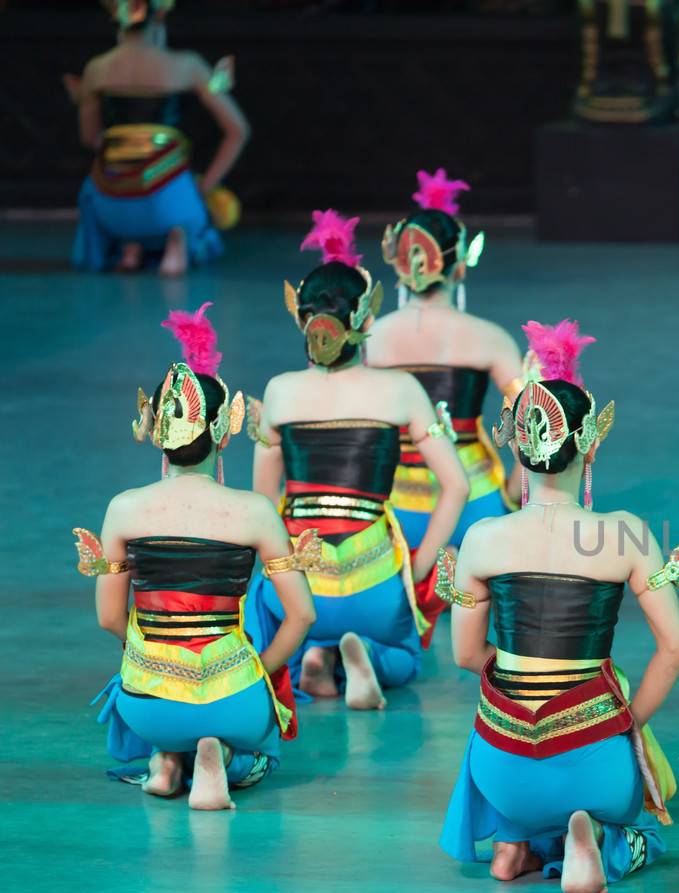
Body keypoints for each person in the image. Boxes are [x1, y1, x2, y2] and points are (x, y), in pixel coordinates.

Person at [439, 327, 679, 893]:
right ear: (591, 444)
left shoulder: (482, 537)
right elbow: (676, 650)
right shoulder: (626, 534)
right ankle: (598, 838)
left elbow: (464, 655)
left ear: (515, 446)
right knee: (641, 816)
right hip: (594, 756)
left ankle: (513, 842)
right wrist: (627, 727)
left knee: (498, 695)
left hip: (501, 768)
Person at [77, 303, 316, 810]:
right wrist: (258, 668)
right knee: (261, 746)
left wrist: (154, 656)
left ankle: (167, 758)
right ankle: (222, 758)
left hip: (150, 703)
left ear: (154, 430)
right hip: (234, 695)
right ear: (225, 431)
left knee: (144, 687)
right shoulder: (254, 512)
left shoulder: (124, 509)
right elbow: (302, 615)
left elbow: (107, 618)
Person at [245, 212, 467, 710]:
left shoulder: (279, 392)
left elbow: (263, 508)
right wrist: (420, 564)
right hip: (377, 581)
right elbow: (456, 485)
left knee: (276, 624)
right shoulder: (400, 389)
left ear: (301, 320)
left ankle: (314, 652)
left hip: (301, 585)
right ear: (365, 321)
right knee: (407, 658)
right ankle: (364, 651)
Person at [366, 168, 524, 548]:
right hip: (477, 503)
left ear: (398, 266)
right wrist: (512, 497)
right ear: (461, 264)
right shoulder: (491, 339)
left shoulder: (370, 339)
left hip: (392, 508)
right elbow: (534, 422)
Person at [69, 0, 248, 276]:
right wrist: (207, 186)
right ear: (159, 18)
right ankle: (174, 241)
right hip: (169, 203)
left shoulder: (97, 68)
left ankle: (130, 245)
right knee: (187, 203)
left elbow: (89, 137)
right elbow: (238, 130)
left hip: (111, 204)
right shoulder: (187, 65)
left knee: (97, 187)